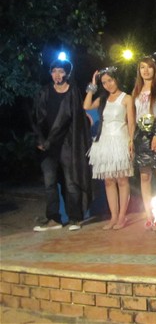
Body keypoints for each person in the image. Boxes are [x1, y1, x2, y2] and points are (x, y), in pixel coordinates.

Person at [32, 57, 92, 231]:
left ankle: (75, 218)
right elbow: (37, 118)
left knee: (71, 182)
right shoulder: (44, 92)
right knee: (49, 184)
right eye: (54, 71)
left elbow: (75, 119)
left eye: (61, 71)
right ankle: (54, 219)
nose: (57, 75)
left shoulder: (73, 92)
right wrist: (40, 140)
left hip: (68, 144)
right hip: (47, 146)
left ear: (67, 73)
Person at [84, 67, 135, 230]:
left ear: (116, 79)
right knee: (108, 181)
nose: (108, 85)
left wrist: (131, 141)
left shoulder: (126, 98)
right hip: (104, 142)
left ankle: (122, 216)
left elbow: (131, 122)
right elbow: (86, 106)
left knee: (122, 179)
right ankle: (113, 216)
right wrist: (93, 85)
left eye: (110, 81)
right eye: (104, 82)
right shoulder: (103, 99)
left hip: (120, 140)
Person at [131, 55, 156, 230]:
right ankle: (148, 215)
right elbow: (133, 118)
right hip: (141, 138)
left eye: (149, 67)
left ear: (155, 69)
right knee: (144, 176)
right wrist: (131, 140)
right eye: (142, 67)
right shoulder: (136, 91)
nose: (145, 71)